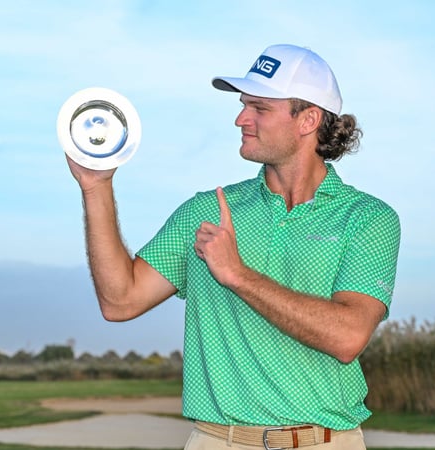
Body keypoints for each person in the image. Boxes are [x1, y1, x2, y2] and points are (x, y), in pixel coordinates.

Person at [66, 44, 401, 450]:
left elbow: (348, 337)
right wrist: (96, 186)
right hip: (215, 440)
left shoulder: (367, 218)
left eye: (259, 108)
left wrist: (237, 274)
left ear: (308, 119)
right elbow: (120, 301)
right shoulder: (205, 211)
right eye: (244, 105)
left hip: (323, 442)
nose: (241, 118)